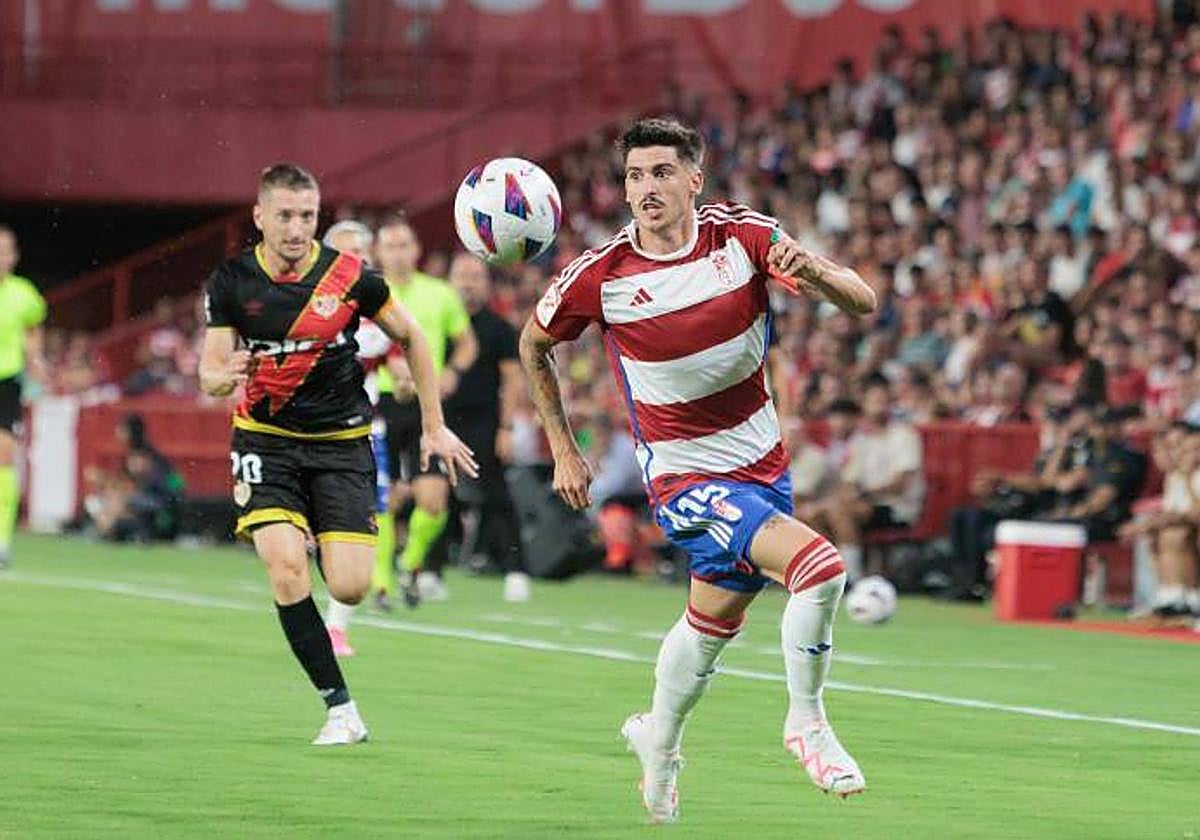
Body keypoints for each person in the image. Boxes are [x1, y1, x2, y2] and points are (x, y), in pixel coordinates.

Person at [518, 118, 876, 823]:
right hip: (684, 483)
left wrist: (823, 278)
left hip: (761, 471)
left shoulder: (743, 239)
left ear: (693, 179)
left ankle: (661, 742)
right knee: (821, 568)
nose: (645, 189)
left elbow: (862, 300)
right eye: (633, 176)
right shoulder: (603, 275)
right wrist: (562, 446)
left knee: (710, 625)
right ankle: (807, 722)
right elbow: (533, 345)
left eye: (659, 172)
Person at [198, 163, 475, 745]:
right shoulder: (231, 282)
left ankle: (326, 533)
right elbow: (210, 371)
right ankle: (340, 707)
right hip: (264, 441)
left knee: (349, 586)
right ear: (260, 217)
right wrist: (227, 376)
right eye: (285, 216)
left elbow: (413, 337)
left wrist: (433, 426)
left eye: (306, 216)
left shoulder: (351, 277)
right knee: (285, 565)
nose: (297, 228)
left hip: (342, 444)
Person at [371, 215, 478, 608]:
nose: (398, 254)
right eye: (390, 246)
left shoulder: (440, 294)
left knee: (433, 501)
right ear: (378, 253)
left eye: (404, 245)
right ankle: (381, 583)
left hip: (426, 406)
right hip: (380, 402)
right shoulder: (372, 292)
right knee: (380, 499)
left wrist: (451, 372)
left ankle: (410, 563)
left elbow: (467, 344)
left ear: (416, 250)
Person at [445, 251, 532, 602]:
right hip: (442, 419)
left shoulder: (498, 328)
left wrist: (506, 428)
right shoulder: (437, 321)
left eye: (475, 276)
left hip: (483, 420)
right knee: (434, 491)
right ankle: (429, 570)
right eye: (462, 275)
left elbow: (512, 381)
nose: (467, 283)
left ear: (486, 283)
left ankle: (516, 569)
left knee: (496, 496)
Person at [806, 374, 924, 580]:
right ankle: (828, 574)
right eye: (874, 401)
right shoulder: (861, 440)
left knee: (839, 511)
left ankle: (851, 577)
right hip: (865, 504)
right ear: (865, 406)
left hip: (896, 507)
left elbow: (900, 484)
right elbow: (850, 481)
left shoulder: (904, 435)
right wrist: (846, 495)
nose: (879, 406)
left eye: (884, 401)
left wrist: (858, 494)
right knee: (814, 513)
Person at [0, 225, 47, 568]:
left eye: (7, 250)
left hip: (6, 382)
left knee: (4, 458)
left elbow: (32, 329)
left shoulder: (24, 294)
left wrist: (37, 361)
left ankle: (2, 539)